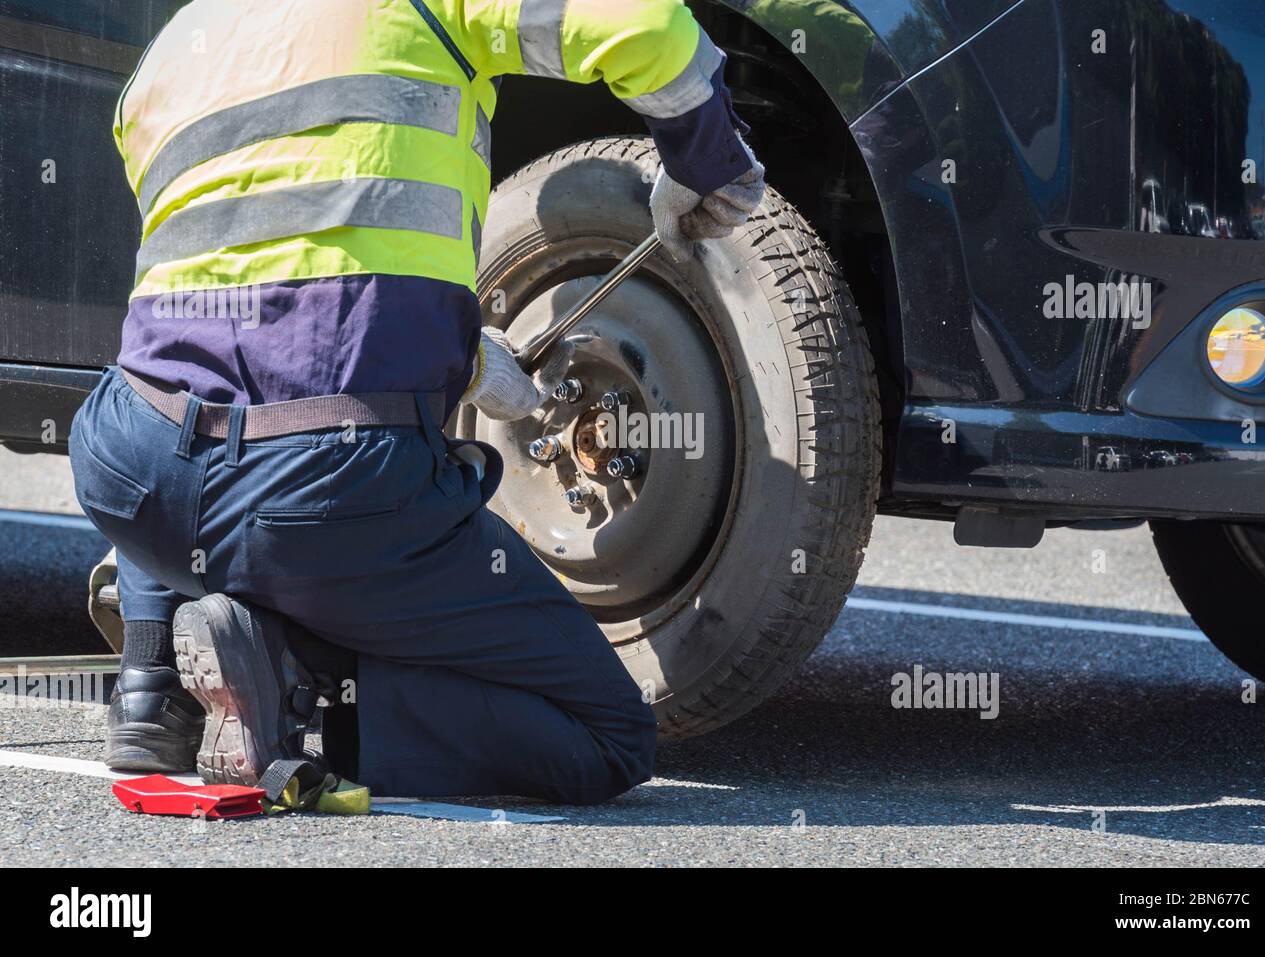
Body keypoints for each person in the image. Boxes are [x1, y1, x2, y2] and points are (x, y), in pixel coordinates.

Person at [72, 0, 766, 804]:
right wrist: (706, 155)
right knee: (611, 737)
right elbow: (641, 24)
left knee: (167, 393)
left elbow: (264, 265)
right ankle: (298, 672)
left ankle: (152, 685)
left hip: (130, 461)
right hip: (321, 487)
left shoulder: (169, 53)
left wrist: (461, 361)